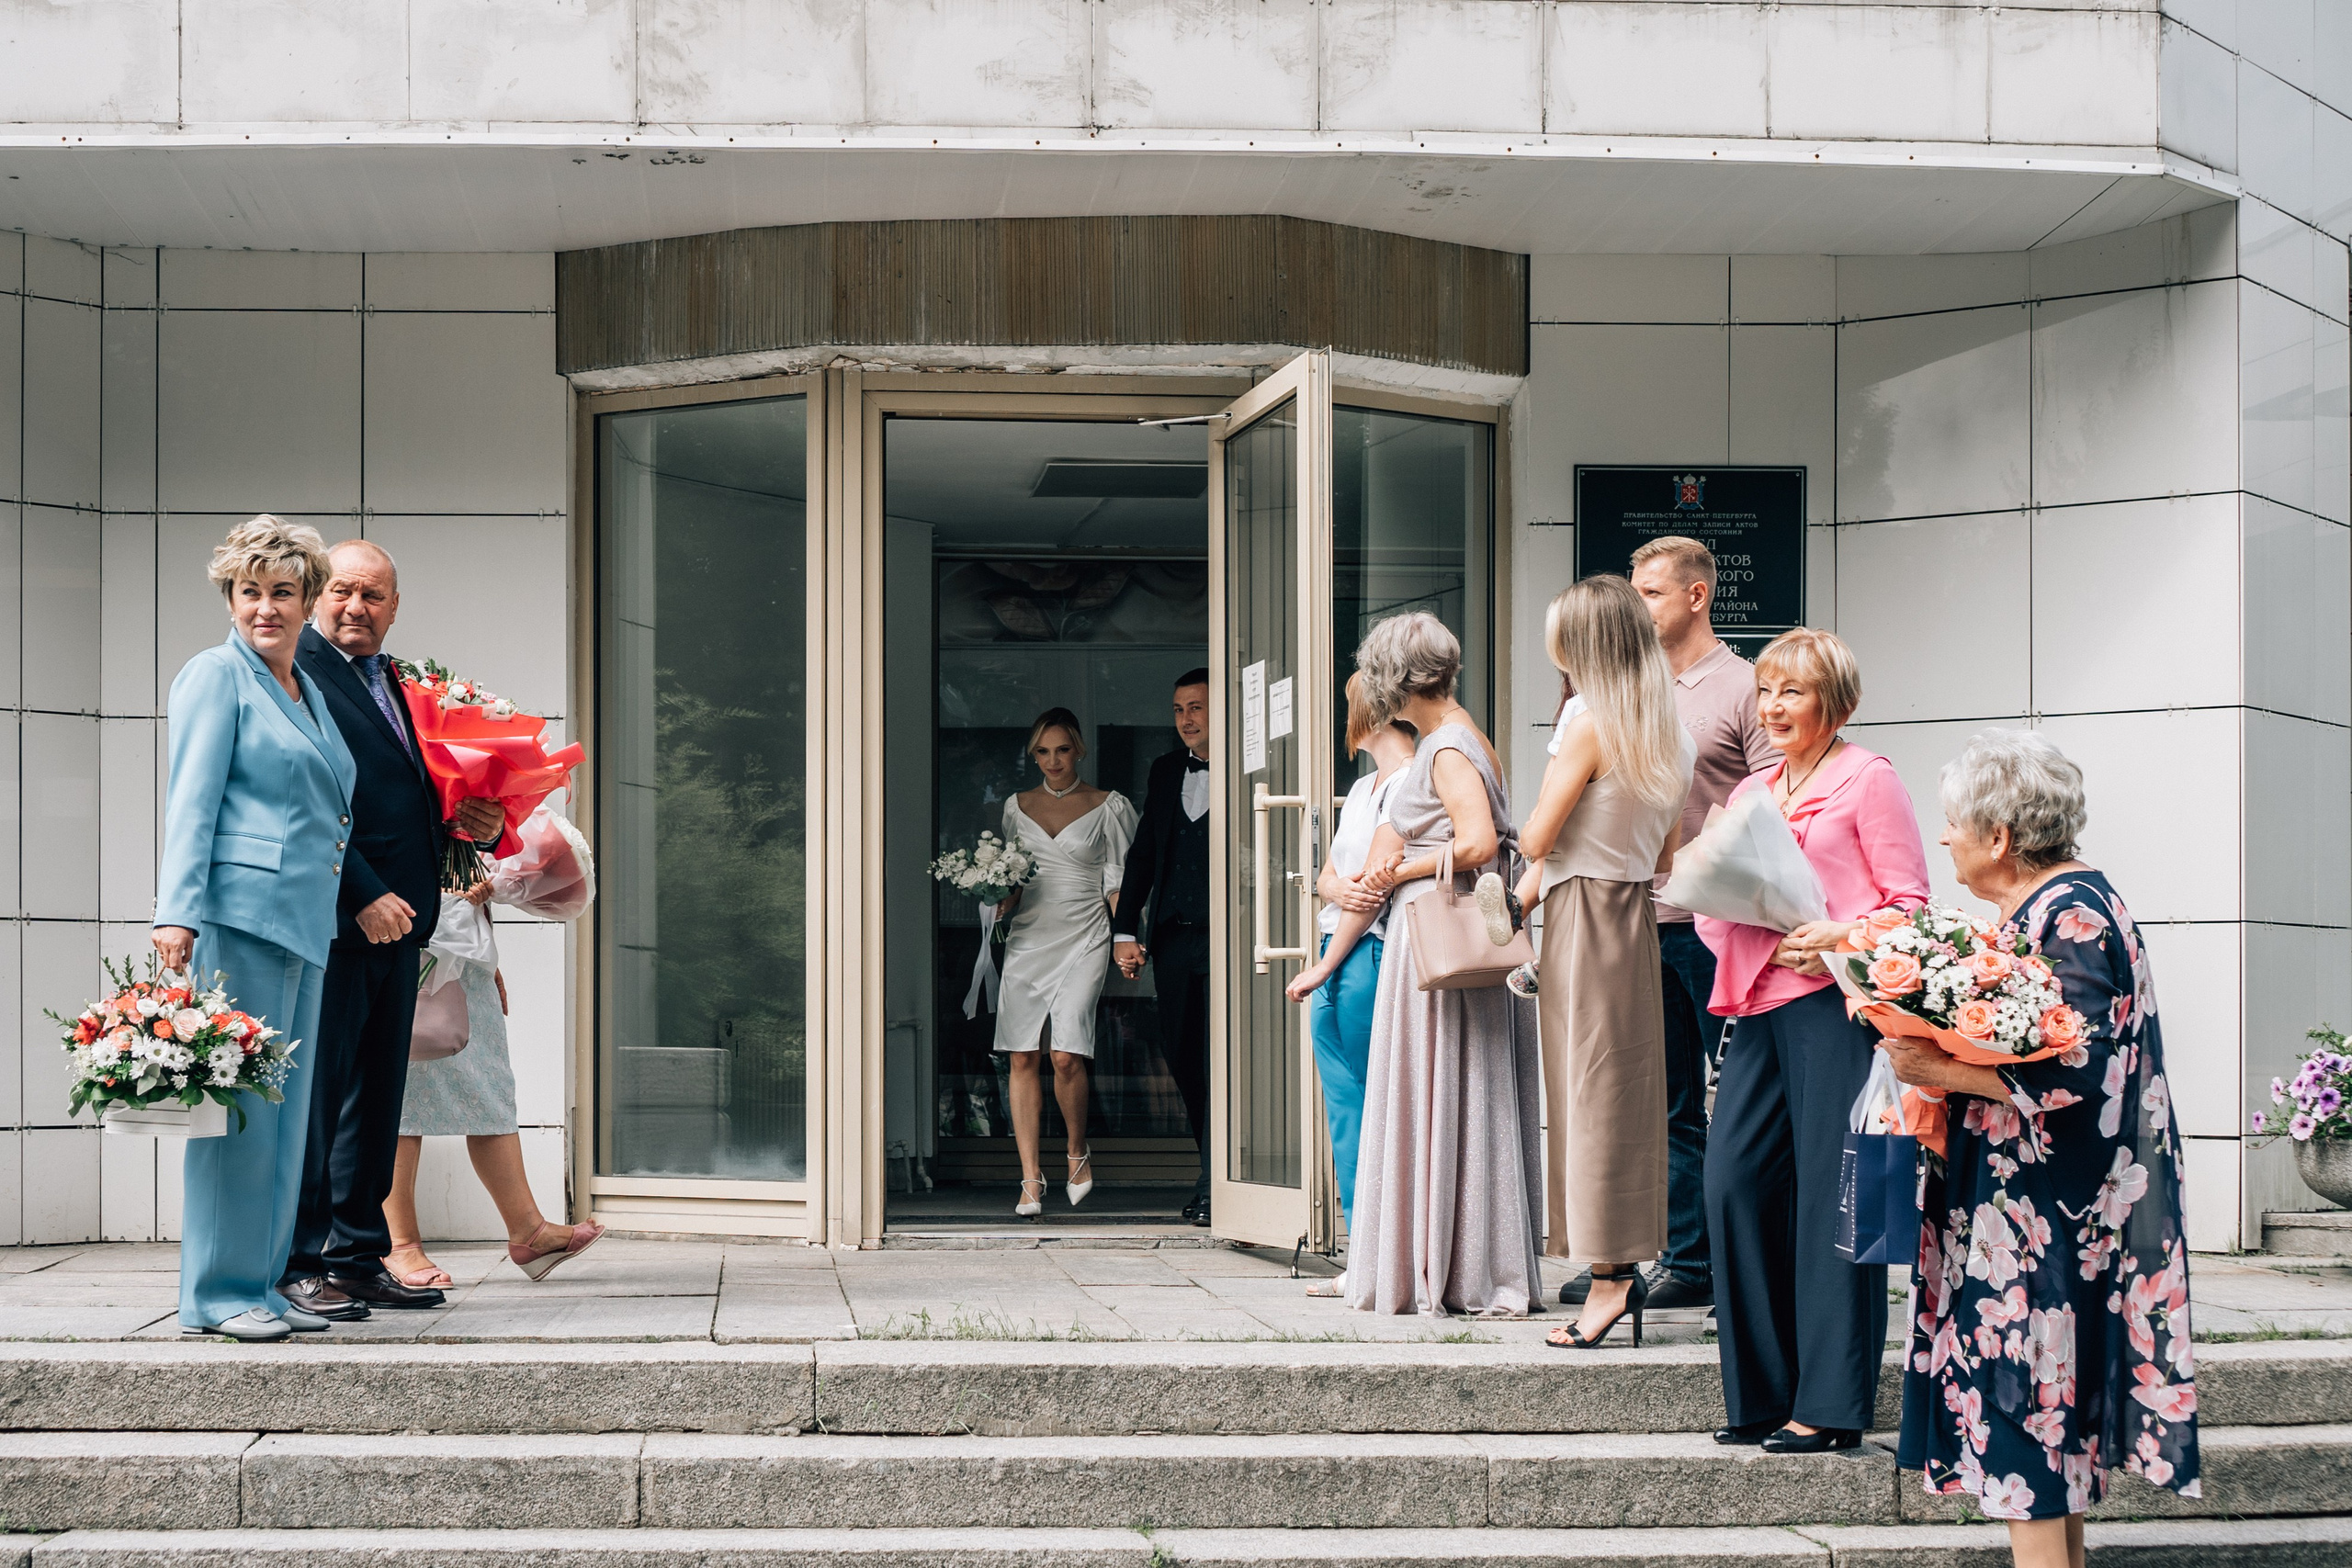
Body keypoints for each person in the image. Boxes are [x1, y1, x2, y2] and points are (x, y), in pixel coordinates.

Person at [1891, 730, 2199, 1566]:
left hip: (2043, 1223)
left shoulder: (2069, 914)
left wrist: (1939, 1067)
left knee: (2027, 1417)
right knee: (2045, 1431)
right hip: (2047, 1209)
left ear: (1999, 836)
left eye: (1954, 822)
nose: (1943, 837)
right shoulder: (2066, 903)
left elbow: (2080, 1070)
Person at [1698, 627, 1930, 1452]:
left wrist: (1839, 936)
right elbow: (1717, 898)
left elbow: (1910, 905)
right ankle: (1761, 1392)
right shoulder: (1753, 788)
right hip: (1759, 1003)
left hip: (1838, 1011)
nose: (1772, 706)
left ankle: (1830, 1405)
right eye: (1766, 691)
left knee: (1839, 1197)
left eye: (1791, 691)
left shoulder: (1870, 779)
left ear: (1836, 702)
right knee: (1732, 1180)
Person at [281, 540, 514, 1320]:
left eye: (373, 595)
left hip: (405, 925)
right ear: (316, 594)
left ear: (395, 605)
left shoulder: (398, 681)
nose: (357, 607)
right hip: (338, 922)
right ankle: (299, 1262)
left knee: (376, 1103)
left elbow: (417, 791)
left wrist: (477, 823)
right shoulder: (297, 672)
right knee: (319, 1101)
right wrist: (364, 893)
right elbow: (305, 804)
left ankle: (357, 1256)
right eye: (343, 591)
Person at [1290, 613, 1544, 1317]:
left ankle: (1448, 1263)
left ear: (1395, 680)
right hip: (1445, 938)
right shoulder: (1462, 737)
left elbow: (1479, 842)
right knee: (1460, 1092)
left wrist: (1401, 870)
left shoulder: (1446, 746)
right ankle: (1459, 1257)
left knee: (1438, 1089)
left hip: (1436, 940)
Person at [154, 517, 357, 1341]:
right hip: (239, 919)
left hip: (303, 926)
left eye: (282, 591)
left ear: (308, 601)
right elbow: (191, 799)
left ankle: (264, 1285)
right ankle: (216, 1292)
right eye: (250, 591)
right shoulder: (215, 676)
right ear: (230, 598)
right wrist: (176, 912)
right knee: (237, 1115)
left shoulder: (302, 687)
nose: (265, 607)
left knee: (282, 1118)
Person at [1558, 536, 1774, 1313]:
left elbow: (1771, 802)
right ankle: (1681, 1259)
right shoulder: (1624, 686)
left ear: (1696, 595)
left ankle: (1742, 1268)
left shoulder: (1745, 687)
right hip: (1637, 918)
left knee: (1738, 1098)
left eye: (1650, 591)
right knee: (1664, 1101)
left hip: (1716, 926)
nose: (1637, 604)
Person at [1510, 576, 1693, 1348]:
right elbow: (1666, 854)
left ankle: (1612, 1279)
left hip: (1583, 911)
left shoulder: (1588, 722)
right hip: (1633, 912)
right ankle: (1620, 1268)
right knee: (1621, 1095)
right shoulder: (1668, 729)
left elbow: (1536, 835)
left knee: (1588, 1097)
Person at [379, 877, 605, 1288]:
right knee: (399, 1096)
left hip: (460, 943)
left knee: (489, 1091)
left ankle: (529, 1230)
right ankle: (399, 1243)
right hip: (402, 928)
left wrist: (478, 942)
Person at [1286, 675, 1416, 1297]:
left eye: (1350, 703)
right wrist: (1337, 890)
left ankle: (1393, 1254)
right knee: (1346, 1110)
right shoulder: (1364, 787)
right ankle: (1364, 1253)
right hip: (1336, 948)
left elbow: (1372, 894)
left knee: (1380, 1105)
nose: (1345, 714)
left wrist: (1323, 965)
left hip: (1368, 952)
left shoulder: (1411, 782)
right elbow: (1331, 878)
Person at [994, 709, 1138, 1216]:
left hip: (1085, 932)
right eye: (1042, 751)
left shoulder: (1109, 805)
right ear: (1032, 755)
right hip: (1029, 937)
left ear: (1078, 750)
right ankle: (1031, 1178)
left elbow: (1119, 880)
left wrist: (1127, 936)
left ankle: (1077, 1151)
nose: (1052, 761)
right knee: (1021, 1055)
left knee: (1065, 1053)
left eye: (1061, 750)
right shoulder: (1015, 807)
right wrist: (996, 896)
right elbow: (1012, 876)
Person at [1114, 671, 1215, 1225]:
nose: (1186, 719)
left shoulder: (1256, 770)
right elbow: (1145, 855)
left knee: (1224, 1059)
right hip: (1174, 937)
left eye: (1196, 707)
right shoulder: (1165, 769)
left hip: (1229, 938)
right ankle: (1212, 1169)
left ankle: (1216, 1185)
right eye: (1179, 709)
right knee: (1183, 1055)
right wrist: (1125, 930)